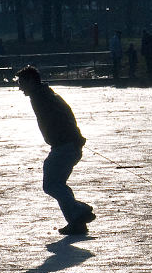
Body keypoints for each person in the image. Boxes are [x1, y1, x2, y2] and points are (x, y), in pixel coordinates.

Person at [15, 65, 95, 235]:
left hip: (65, 146)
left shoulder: (42, 97)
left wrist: (71, 138)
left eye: (21, 83)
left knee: (52, 184)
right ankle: (77, 222)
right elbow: (67, 113)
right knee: (56, 184)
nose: (19, 87)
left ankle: (79, 210)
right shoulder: (44, 94)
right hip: (66, 145)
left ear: (31, 81)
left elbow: (63, 116)